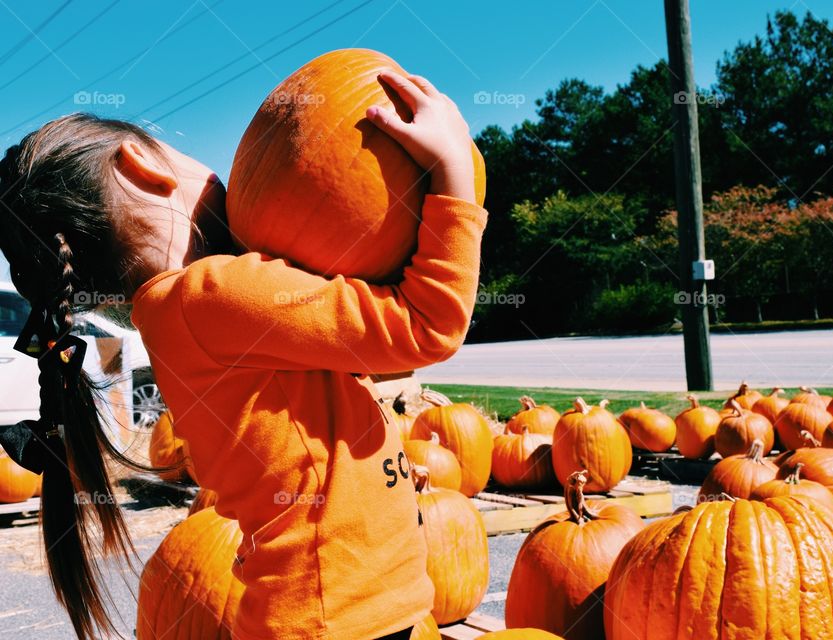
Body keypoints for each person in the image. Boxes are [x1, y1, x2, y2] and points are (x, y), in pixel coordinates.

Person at [0, 69, 486, 640]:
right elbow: (426, 327)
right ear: (143, 166)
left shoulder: (183, 319)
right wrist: (453, 170)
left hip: (329, 614)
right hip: (338, 619)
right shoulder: (213, 296)